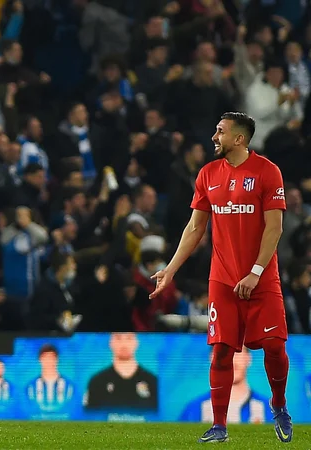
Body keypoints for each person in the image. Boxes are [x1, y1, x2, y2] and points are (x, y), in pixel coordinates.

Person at [151, 112, 292, 443]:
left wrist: (256, 273)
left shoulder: (267, 172)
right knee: (222, 351)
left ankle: (279, 405)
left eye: (220, 132)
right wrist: (171, 270)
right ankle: (219, 426)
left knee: (274, 345)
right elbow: (195, 227)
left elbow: (275, 228)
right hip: (223, 280)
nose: (214, 137)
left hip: (261, 278)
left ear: (239, 139)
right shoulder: (207, 174)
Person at [84, 332, 158, 411]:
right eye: (118, 338)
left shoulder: (153, 381)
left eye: (129, 338)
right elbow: (87, 416)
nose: (124, 344)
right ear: (110, 343)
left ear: (136, 343)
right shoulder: (97, 381)